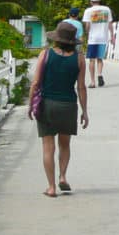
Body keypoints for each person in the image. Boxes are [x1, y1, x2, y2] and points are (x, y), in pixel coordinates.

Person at [28, 21, 89, 197]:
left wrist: (30, 104)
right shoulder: (79, 58)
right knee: (65, 144)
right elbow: (81, 87)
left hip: (47, 105)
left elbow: (35, 82)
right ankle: (62, 176)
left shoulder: (45, 55)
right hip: (68, 105)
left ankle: (51, 187)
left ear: (56, 38)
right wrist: (84, 111)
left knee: (48, 147)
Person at [81, 0, 114, 88]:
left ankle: (92, 82)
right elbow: (110, 24)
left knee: (92, 60)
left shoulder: (88, 11)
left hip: (93, 38)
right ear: (99, 0)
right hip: (103, 38)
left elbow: (87, 25)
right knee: (100, 59)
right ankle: (99, 75)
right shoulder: (107, 9)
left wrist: (87, 32)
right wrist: (112, 36)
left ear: (91, 1)